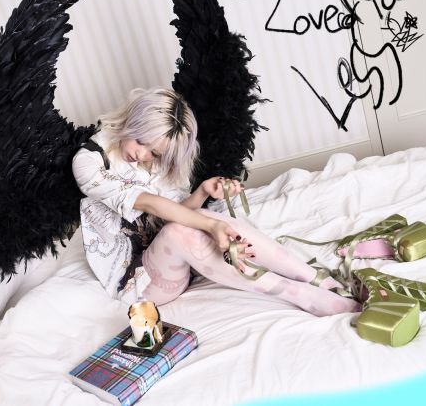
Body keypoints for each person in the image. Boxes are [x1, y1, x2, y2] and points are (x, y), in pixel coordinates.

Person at [72, 87, 361, 316]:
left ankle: (317, 278)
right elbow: (150, 204)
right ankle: (300, 295)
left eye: (155, 153)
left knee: (205, 222)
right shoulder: (88, 161)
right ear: (132, 121)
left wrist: (202, 193)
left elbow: (170, 215)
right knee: (189, 229)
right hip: (138, 285)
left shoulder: (155, 159)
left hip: (172, 260)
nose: (142, 155)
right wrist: (210, 226)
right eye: (140, 140)